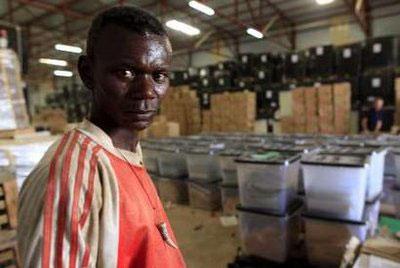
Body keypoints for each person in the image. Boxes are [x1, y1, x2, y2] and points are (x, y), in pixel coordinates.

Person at [17, 6, 186, 267]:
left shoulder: (125, 154)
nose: (147, 91)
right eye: (126, 72)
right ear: (87, 73)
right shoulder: (75, 177)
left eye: (158, 75)